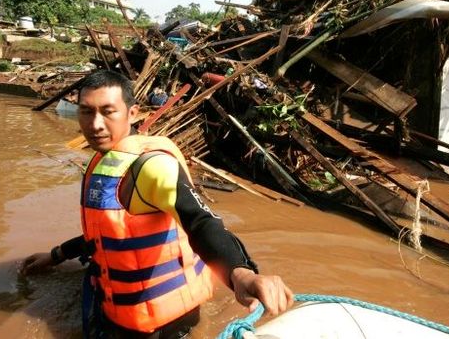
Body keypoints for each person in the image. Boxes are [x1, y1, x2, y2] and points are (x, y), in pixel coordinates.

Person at [20, 70, 293, 338]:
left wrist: (241, 274)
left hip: (164, 327)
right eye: (86, 112)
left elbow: (200, 220)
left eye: (108, 111)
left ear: (133, 113)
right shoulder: (104, 163)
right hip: (121, 314)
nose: (96, 124)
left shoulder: (152, 166)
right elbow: (107, 235)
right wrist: (55, 255)